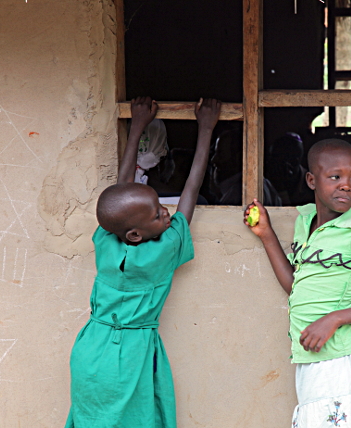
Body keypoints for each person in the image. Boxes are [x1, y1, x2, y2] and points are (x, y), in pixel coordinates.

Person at [65, 96, 221, 428]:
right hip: (130, 355)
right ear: (135, 235)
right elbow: (189, 193)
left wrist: (136, 126)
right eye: (157, 213)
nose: (166, 212)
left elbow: (120, 191)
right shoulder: (159, 253)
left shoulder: (105, 241)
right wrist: (205, 129)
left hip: (91, 349)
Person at [244, 139, 351, 428]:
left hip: (342, 358)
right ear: (311, 180)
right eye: (335, 177)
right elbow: (298, 288)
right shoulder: (306, 220)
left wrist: (333, 319)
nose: (347, 185)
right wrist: (267, 234)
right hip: (313, 353)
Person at [209, 129, 282, 206]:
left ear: (239, 158)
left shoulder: (239, 194)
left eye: (221, 154)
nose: (213, 160)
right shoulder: (266, 186)